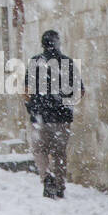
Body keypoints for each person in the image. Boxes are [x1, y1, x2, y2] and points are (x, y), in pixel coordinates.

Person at [24, 29, 83, 199]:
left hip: (39, 117)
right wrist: (67, 104)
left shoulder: (36, 62)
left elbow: (26, 90)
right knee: (59, 152)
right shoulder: (67, 63)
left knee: (39, 150)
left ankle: (46, 177)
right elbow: (80, 91)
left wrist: (31, 105)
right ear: (58, 43)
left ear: (43, 44)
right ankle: (60, 184)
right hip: (61, 117)